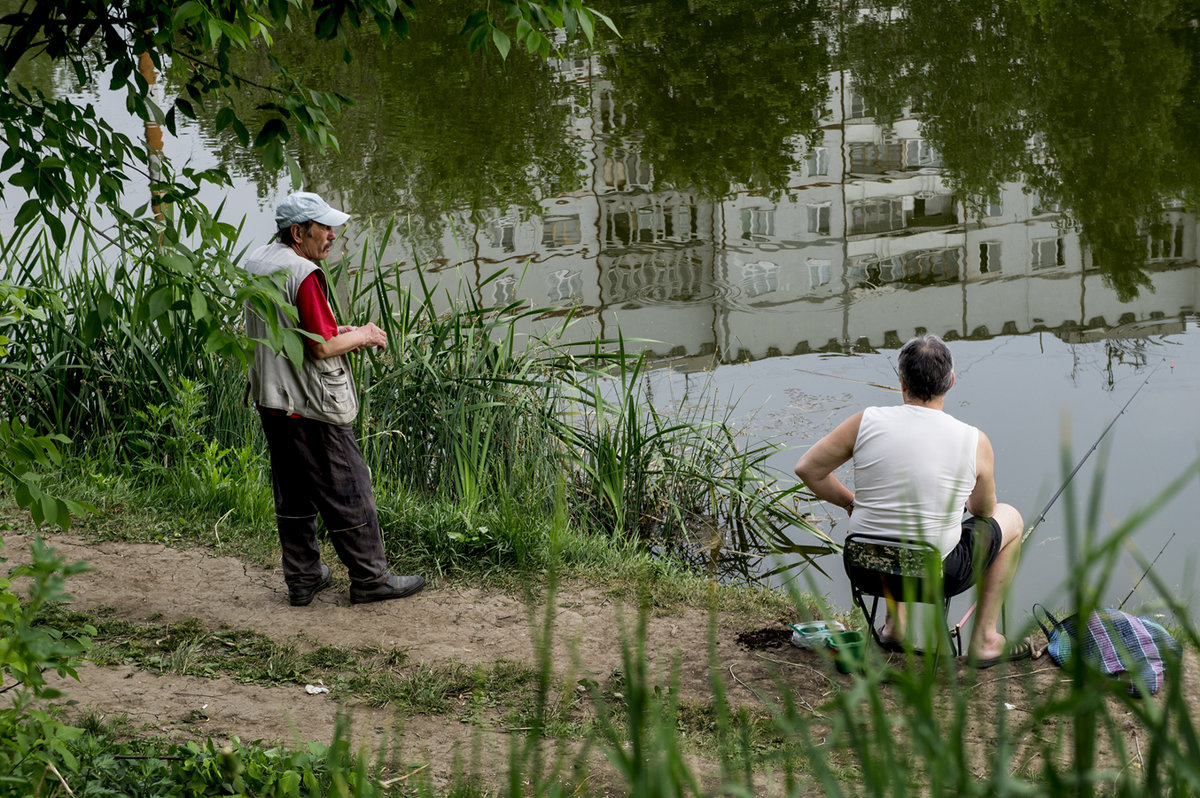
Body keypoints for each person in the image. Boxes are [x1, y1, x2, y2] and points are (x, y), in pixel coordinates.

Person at [792, 334, 1026, 666]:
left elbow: (808, 469)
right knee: (1010, 517)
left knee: (889, 516)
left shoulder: (865, 422)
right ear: (952, 382)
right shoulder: (974, 440)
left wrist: (850, 504)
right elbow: (984, 512)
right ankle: (986, 638)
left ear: (902, 383)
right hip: (935, 577)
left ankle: (894, 627)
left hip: (866, 569)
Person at [243, 191, 425, 606]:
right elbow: (320, 348)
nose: (332, 235)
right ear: (297, 232)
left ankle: (303, 578)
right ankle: (370, 578)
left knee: (293, 488)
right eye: (323, 228)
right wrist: (365, 334)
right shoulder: (304, 272)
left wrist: (342, 328)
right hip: (308, 403)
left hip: (271, 397)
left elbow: (301, 328)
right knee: (349, 486)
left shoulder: (259, 262)